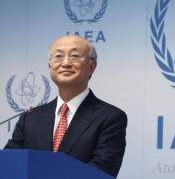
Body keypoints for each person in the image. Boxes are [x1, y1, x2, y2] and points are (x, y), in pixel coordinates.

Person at [4, 35, 127, 177]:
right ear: (50, 65)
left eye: (75, 55)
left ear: (92, 66)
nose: (66, 63)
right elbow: (9, 163)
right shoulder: (30, 117)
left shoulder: (110, 117)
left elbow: (101, 170)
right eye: (58, 56)